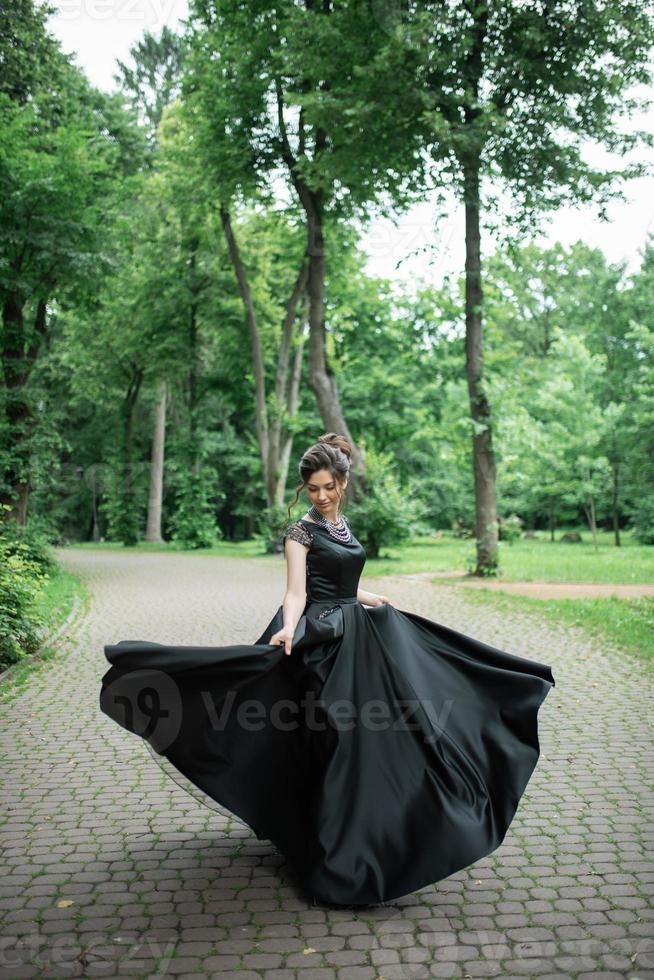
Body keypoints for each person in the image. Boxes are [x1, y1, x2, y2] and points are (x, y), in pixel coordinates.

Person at [100, 431, 555, 908]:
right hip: (319, 638)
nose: (320, 496)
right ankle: (337, 858)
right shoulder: (299, 531)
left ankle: (390, 835)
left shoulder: (344, 523)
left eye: (328, 487)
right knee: (338, 739)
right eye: (313, 489)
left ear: (342, 481)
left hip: (358, 631)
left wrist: (366, 594)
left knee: (393, 728)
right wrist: (290, 628)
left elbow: (338, 577)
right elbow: (298, 591)